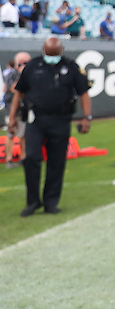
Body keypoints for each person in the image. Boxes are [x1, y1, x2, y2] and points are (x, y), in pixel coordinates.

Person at [8, 37, 91, 216]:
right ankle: (32, 201)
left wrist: (87, 117)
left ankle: (51, 202)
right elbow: (18, 93)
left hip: (61, 119)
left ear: (61, 50)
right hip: (35, 119)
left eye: (55, 54)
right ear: (43, 49)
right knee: (31, 157)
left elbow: (84, 93)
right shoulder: (32, 66)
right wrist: (12, 118)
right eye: (49, 53)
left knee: (57, 161)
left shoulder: (71, 67)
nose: (51, 57)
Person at [2, 52, 28, 166]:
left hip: (22, 108)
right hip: (11, 108)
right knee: (11, 133)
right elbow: (13, 89)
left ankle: (23, 157)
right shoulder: (11, 74)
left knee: (23, 134)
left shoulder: (26, 74)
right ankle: (8, 159)